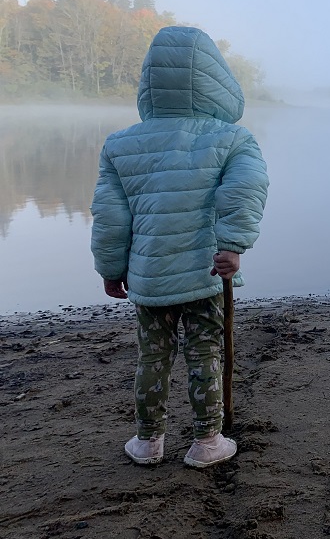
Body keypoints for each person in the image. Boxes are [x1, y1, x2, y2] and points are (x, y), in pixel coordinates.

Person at [91, 26, 269, 468]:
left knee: (152, 353)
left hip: (149, 275)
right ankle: (207, 441)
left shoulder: (120, 144)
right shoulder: (232, 138)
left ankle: (148, 441)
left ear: (150, 81)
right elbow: (245, 189)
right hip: (207, 271)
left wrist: (111, 268)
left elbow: (111, 215)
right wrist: (233, 244)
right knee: (205, 350)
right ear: (216, 79)